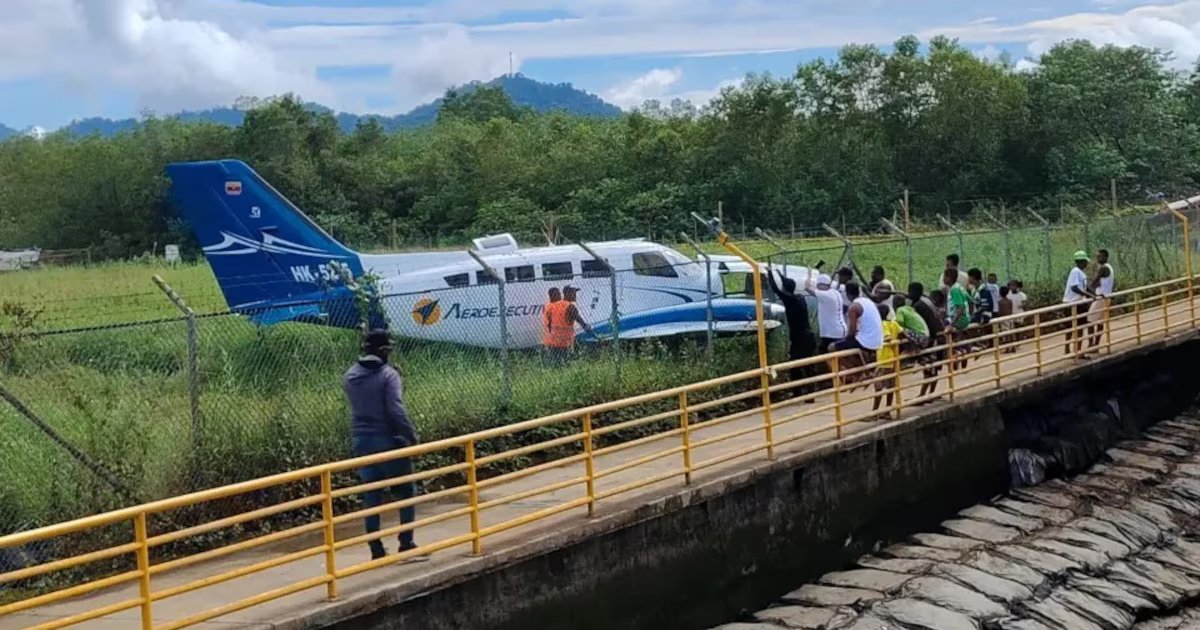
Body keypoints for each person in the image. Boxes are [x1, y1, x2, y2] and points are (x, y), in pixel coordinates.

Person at [343, 330, 422, 561]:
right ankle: (406, 543)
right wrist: (411, 436)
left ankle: (375, 548)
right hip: (388, 440)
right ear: (384, 351)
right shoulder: (389, 376)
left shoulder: (349, 376)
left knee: (372, 495)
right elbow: (396, 410)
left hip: (361, 441)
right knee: (406, 492)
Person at [768, 265, 817, 398]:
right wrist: (778, 273)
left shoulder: (790, 300)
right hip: (807, 336)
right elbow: (786, 284)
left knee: (795, 366)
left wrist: (769, 273)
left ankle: (798, 393)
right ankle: (810, 392)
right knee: (807, 366)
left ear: (786, 289)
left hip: (799, 338)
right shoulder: (800, 298)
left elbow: (775, 289)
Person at [909, 283, 946, 401]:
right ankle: (930, 393)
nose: (909, 295)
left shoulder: (918, 306)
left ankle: (924, 395)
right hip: (938, 337)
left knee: (930, 368)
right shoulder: (925, 301)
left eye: (910, 292)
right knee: (933, 368)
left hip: (933, 339)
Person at [543, 286, 595, 364]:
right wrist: (589, 329)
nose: (575, 295)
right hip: (563, 342)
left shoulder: (554, 305)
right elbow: (581, 322)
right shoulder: (570, 307)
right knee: (564, 363)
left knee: (555, 363)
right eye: (573, 293)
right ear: (567, 294)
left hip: (552, 340)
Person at [873, 304, 904, 420]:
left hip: (884, 358)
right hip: (893, 358)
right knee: (890, 386)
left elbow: (888, 337)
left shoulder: (883, 324)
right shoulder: (893, 323)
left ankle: (874, 412)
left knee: (878, 386)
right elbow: (902, 332)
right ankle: (887, 410)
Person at [1063, 250, 1096, 358]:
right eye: (1085, 262)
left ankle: (1071, 349)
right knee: (1077, 327)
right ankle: (1075, 351)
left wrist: (1093, 294)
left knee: (1074, 326)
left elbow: (1084, 286)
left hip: (1076, 302)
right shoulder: (1076, 271)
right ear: (1081, 262)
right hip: (1073, 302)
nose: (1086, 264)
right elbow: (1075, 287)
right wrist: (1089, 295)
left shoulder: (1080, 272)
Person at [807, 273, 847, 352]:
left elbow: (807, 288)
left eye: (818, 285)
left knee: (824, 356)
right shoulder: (835, 292)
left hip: (831, 333)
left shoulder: (825, 295)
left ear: (823, 285)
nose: (817, 287)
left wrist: (809, 274)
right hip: (838, 331)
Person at [1088, 248, 1114, 348]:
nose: (1098, 258)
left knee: (1090, 320)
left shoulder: (1103, 268)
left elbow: (1094, 283)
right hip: (1106, 297)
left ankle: (1091, 344)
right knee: (1099, 321)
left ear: (1105, 257)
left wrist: (1088, 290)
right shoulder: (1109, 268)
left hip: (1101, 298)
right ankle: (1096, 344)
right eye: (1097, 256)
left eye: (1100, 256)